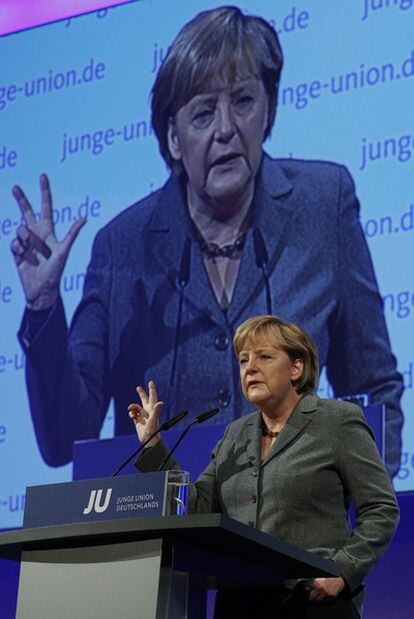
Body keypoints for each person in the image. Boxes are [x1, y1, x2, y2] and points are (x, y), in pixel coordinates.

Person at [11, 6, 403, 475]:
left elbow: (377, 388)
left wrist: (362, 508)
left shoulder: (323, 207)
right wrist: (42, 307)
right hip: (162, 535)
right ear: (174, 138)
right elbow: (62, 440)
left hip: (296, 535)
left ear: (268, 111)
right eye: (202, 113)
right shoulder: (123, 247)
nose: (225, 129)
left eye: (242, 101)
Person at [129, 315, 399, 619]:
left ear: (296, 368)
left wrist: (343, 570)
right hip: (239, 603)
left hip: (311, 602)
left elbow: (381, 508)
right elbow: (198, 510)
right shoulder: (235, 435)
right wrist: (153, 444)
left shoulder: (337, 421)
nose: (249, 368)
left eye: (264, 357)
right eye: (243, 360)